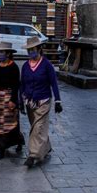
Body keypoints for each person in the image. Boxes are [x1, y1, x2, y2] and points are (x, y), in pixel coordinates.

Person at [20, 36, 62, 168]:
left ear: (39, 49)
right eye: (29, 50)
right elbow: (22, 84)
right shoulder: (26, 66)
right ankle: (47, 147)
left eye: (33, 49)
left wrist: (58, 101)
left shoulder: (47, 65)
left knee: (37, 129)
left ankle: (33, 155)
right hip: (29, 102)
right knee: (37, 127)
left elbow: (53, 83)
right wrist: (20, 101)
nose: (31, 52)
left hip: (43, 101)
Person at [0, 42, 25, 161]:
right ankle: (7, 145)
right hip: (0, 96)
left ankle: (4, 147)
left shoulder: (14, 67)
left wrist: (13, 100)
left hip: (9, 97)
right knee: (3, 122)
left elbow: (16, 85)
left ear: (8, 53)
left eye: (2, 52)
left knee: (9, 122)